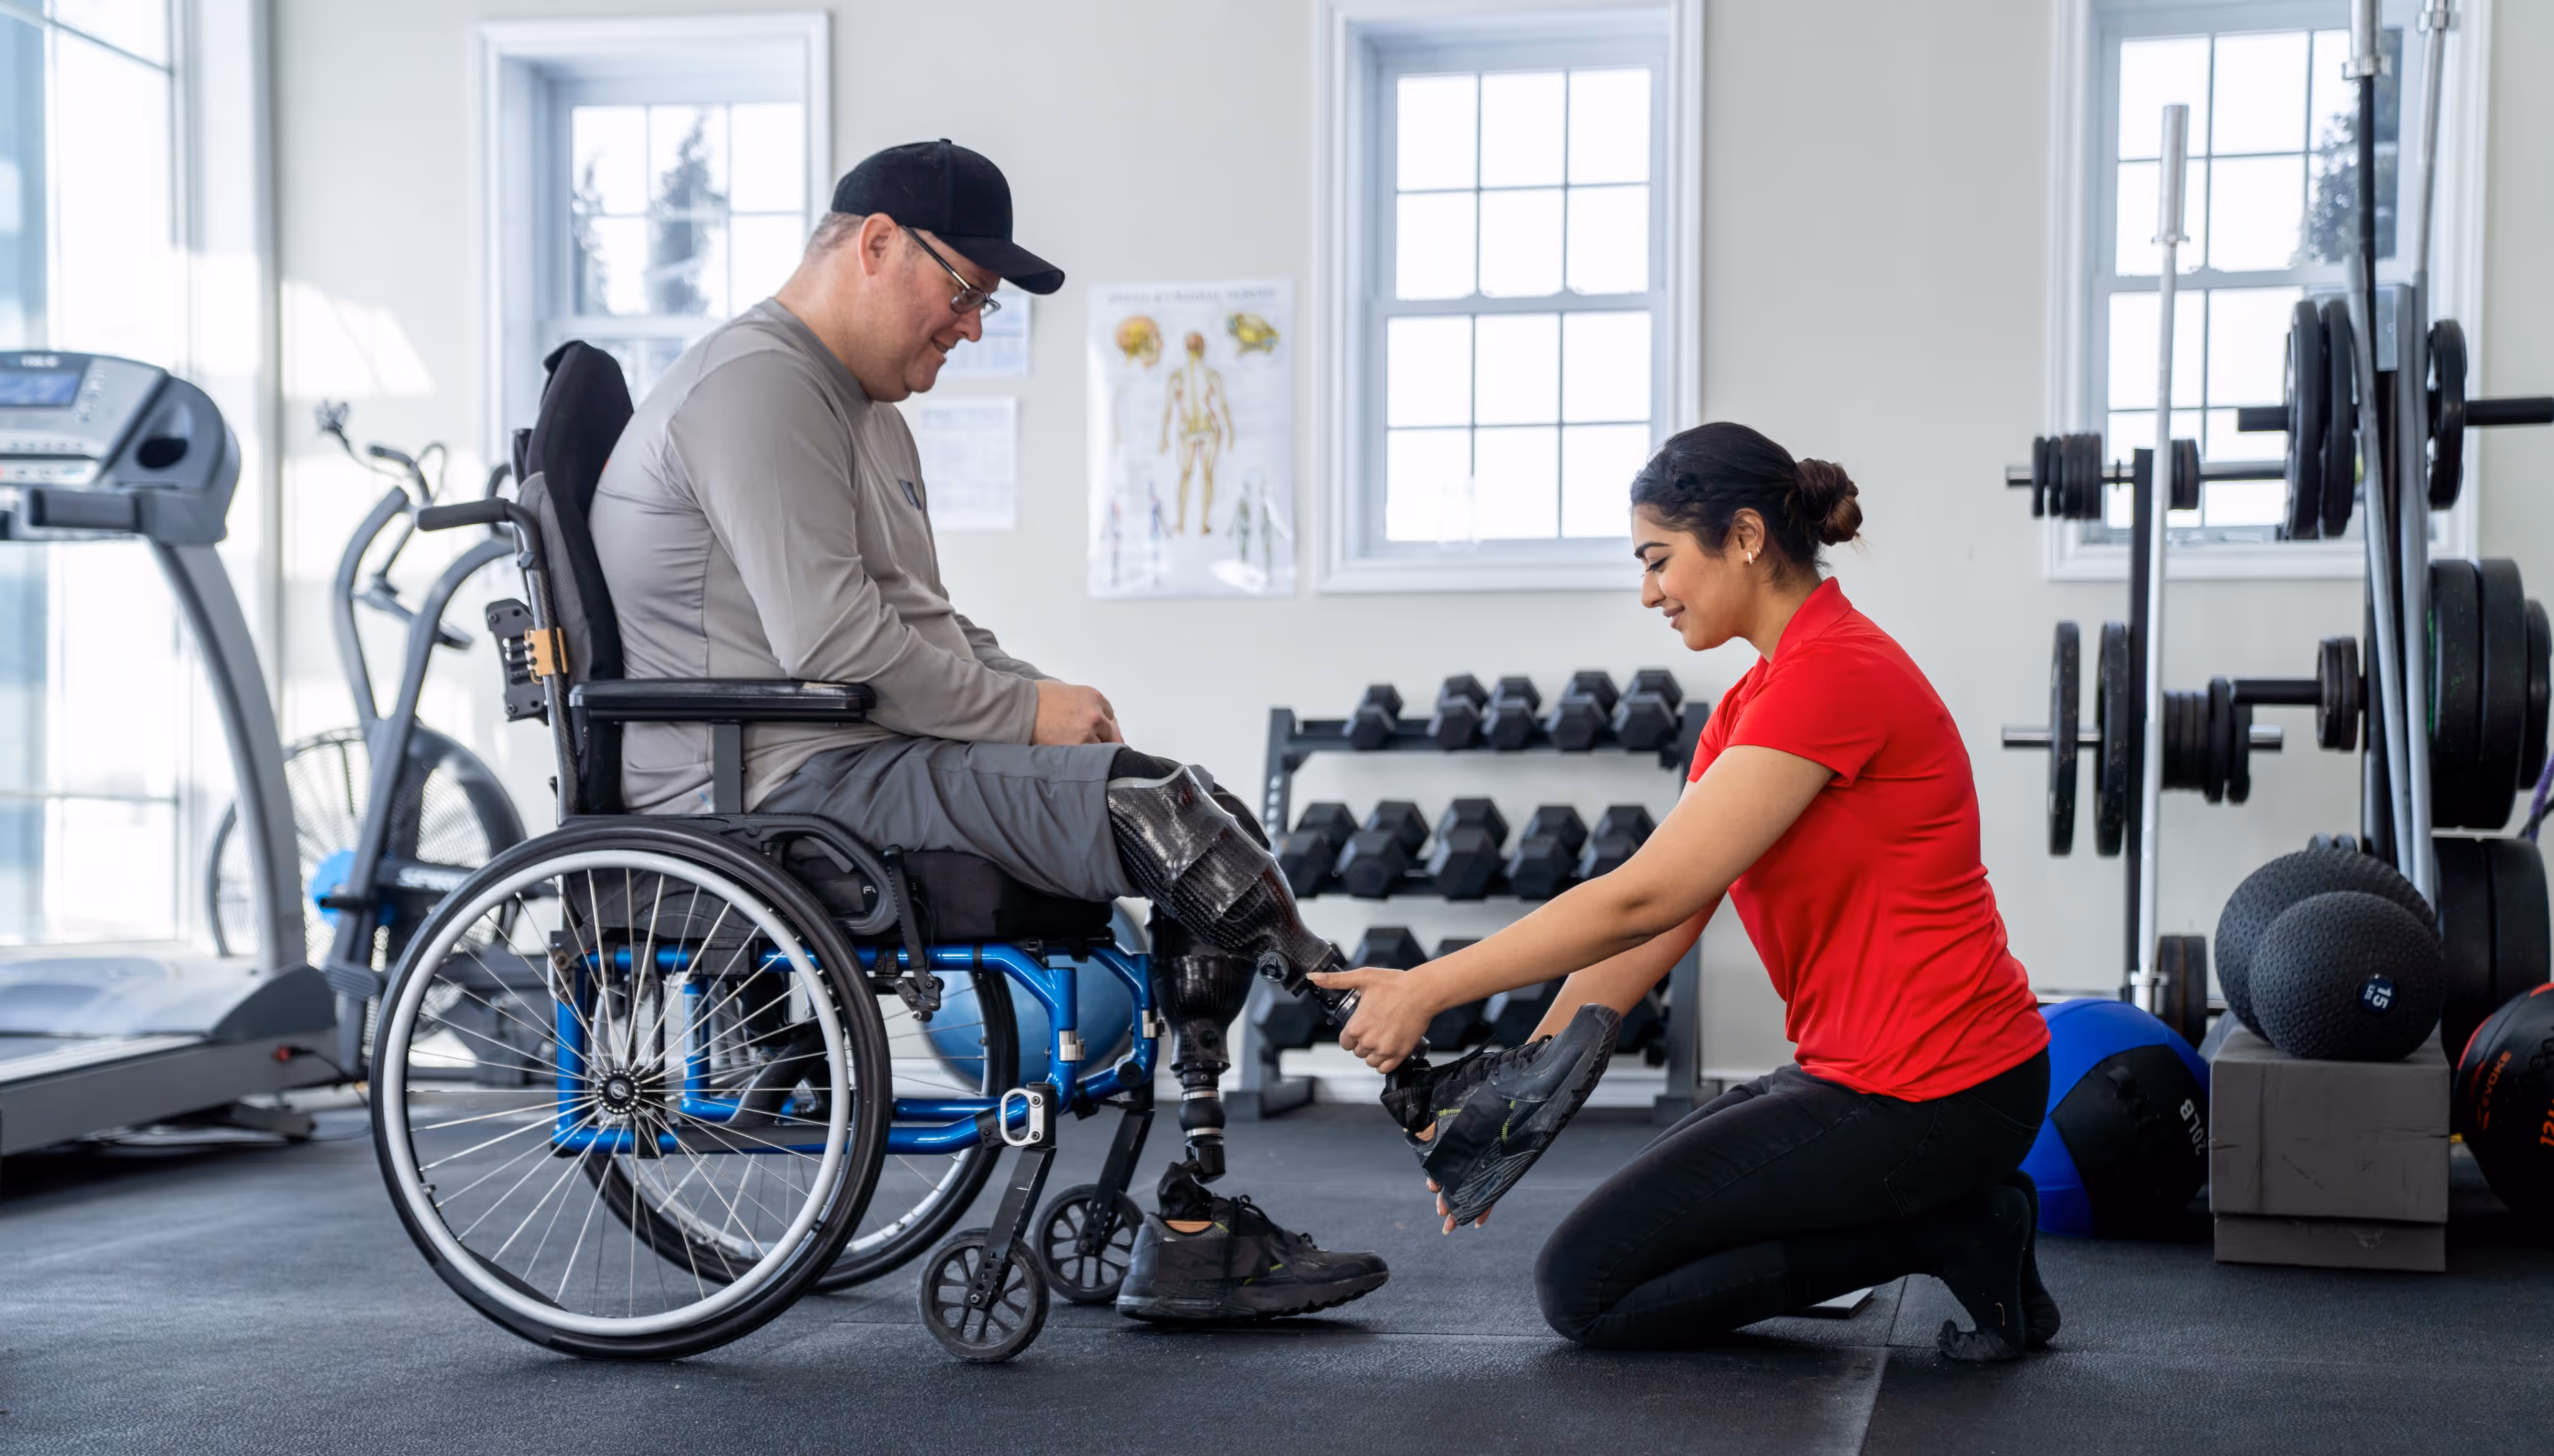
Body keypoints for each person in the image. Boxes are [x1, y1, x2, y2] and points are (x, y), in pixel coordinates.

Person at [584, 139, 1388, 1324]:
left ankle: (1202, 1211)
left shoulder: (862, 412)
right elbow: (836, 645)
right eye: (963, 293)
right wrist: (1022, 714)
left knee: (1172, 794)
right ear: (874, 245)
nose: (968, 328)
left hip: (844, 754)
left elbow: (927, 622)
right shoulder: (756, 391)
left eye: (983, 308)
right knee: (1152, 810)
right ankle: (1406, 1080)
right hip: (770, 783)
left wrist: (1043, 694)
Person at [1314, 423, 2057, 1362]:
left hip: (1941, 1090)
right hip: (1856, 1075)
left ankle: (1954, 1228)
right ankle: (1964, 1218)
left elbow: (1643, 896)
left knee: (1584, 1291)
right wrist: (1513, 1108)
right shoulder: (1752, 707)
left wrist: (1425, 987)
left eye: (1659, 560)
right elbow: (1646, 936)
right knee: (1623, 1246)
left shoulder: (1839, 674)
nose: (1648, 591)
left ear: (1744, 537)